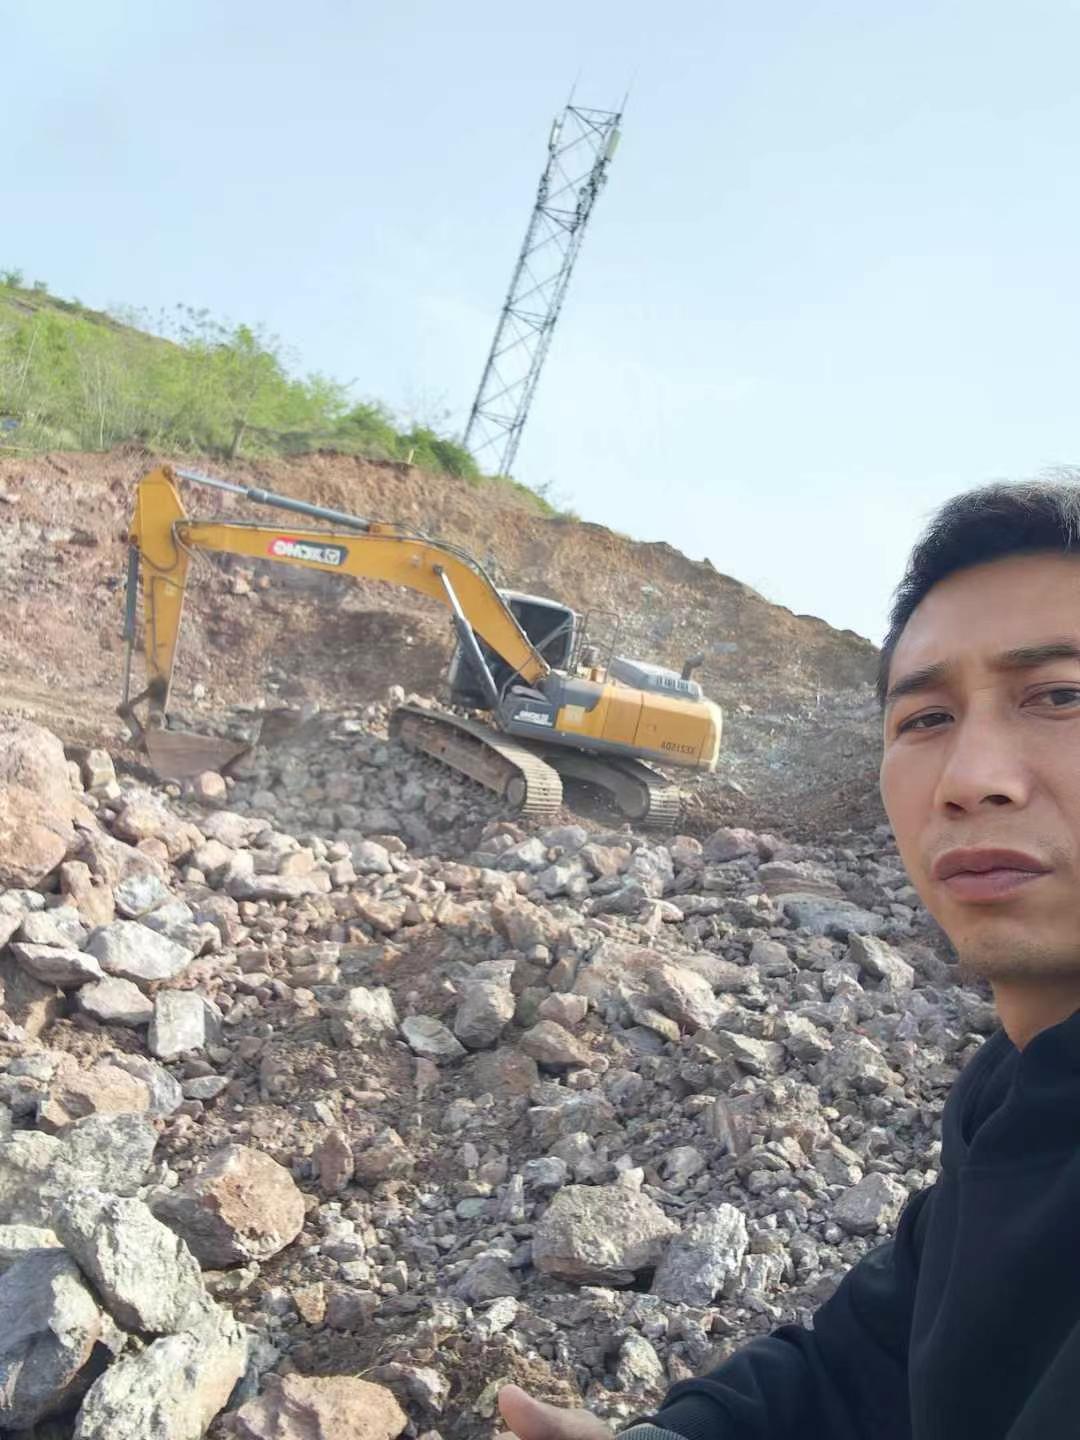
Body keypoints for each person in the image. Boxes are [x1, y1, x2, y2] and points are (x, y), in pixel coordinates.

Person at [497, 481, 1080, 1440]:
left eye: (1059, 696)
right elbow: (876, 1358)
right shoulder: (1011, 1091)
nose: (971, 779)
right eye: (925, 720)